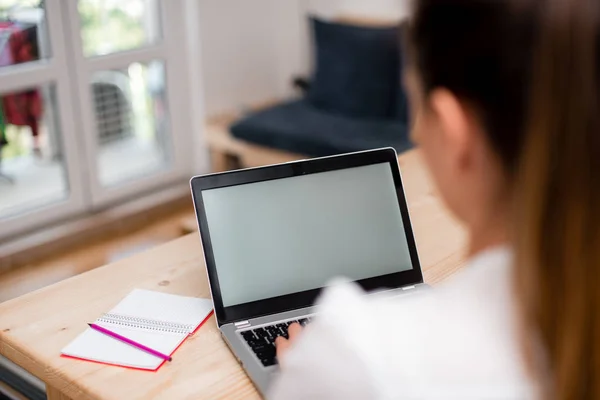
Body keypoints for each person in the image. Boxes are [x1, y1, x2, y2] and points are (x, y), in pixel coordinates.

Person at [269, 0, 600, 398]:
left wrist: (309, 375)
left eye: (415, 106)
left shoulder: (358, 353)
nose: (416, 131)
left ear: (451, 128)